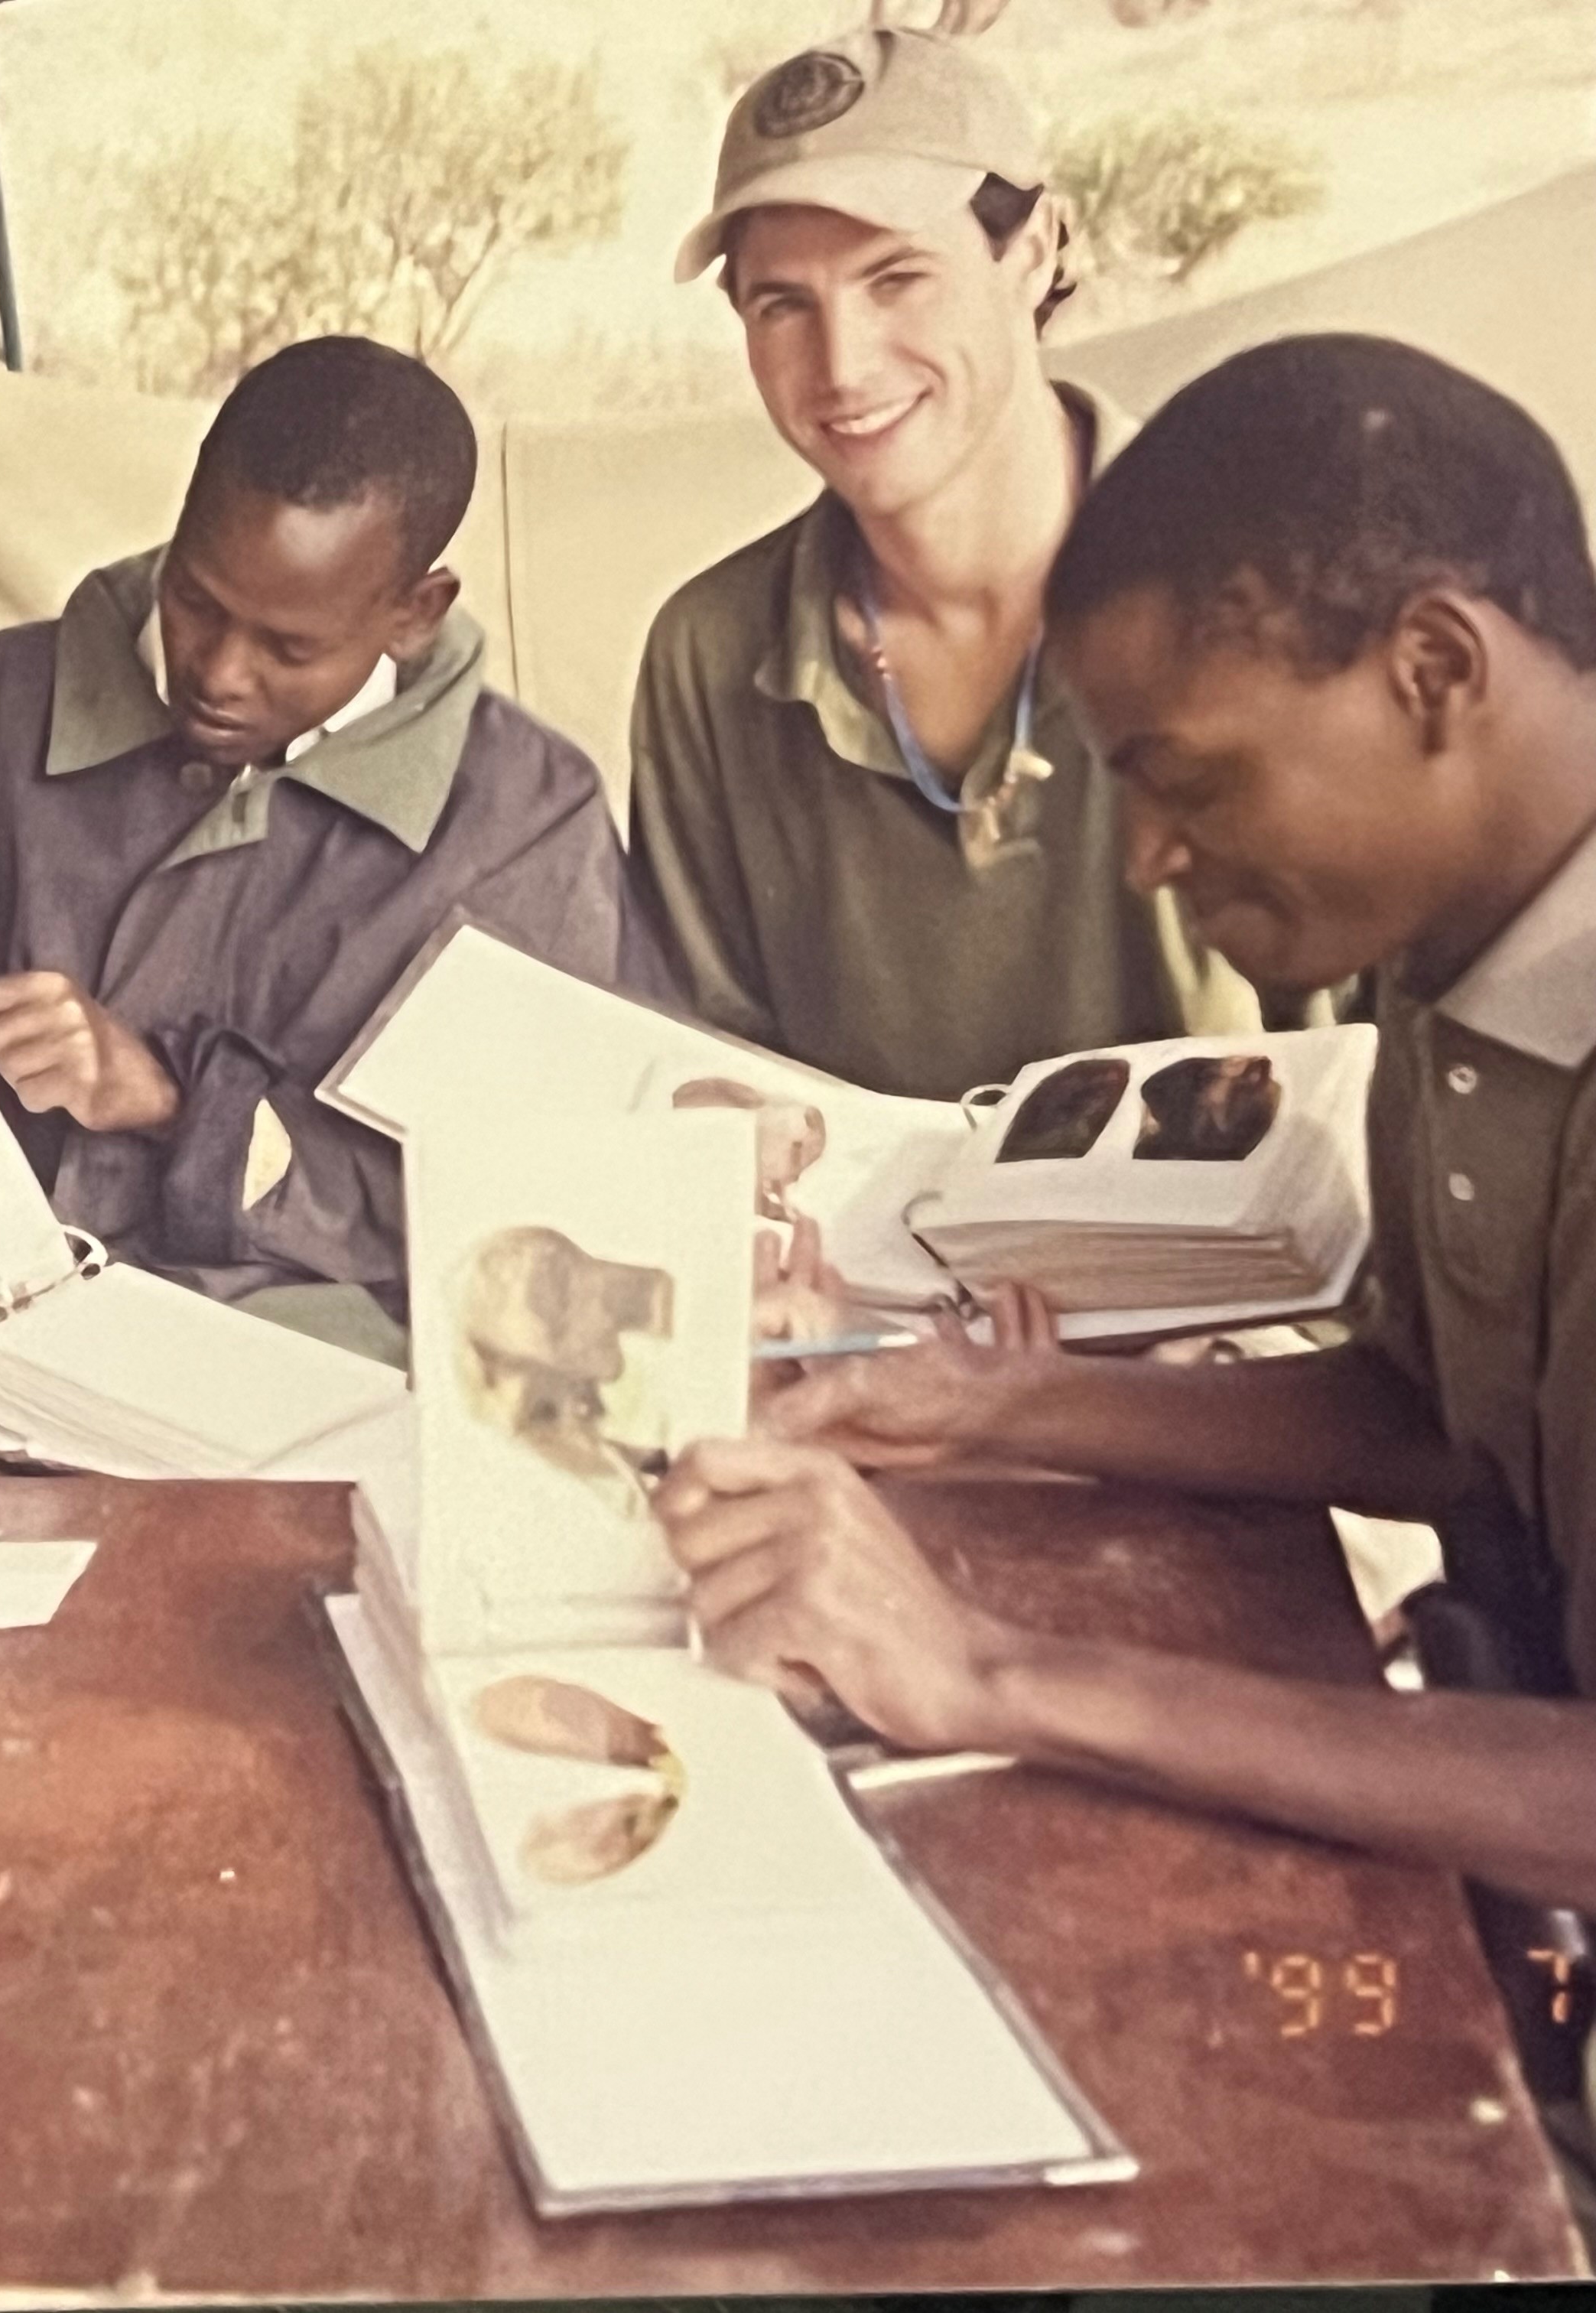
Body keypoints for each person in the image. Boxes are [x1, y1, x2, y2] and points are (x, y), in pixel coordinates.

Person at [656, 337, 1596, 1923]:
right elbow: (1444, 1421)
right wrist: (997, 1404)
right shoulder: (1459, 960)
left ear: (1435, 671)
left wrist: (991, 1671)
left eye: (1190, 782)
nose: (1149, 858)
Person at [0, 336, 674, 1362]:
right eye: (197, 600)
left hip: (307, 1377)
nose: (216, 671)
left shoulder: (523, 823)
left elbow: (519, 1222)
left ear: (414, 615)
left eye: (289, 648)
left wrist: (174, 1107)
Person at [630, 25, 1286, 1102]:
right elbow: (715, 1094)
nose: (842, 367)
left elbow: (1381, 1082)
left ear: (1034, 252)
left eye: (897, 278)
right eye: (782, 303)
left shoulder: (1254, 588)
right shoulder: (709, 654)